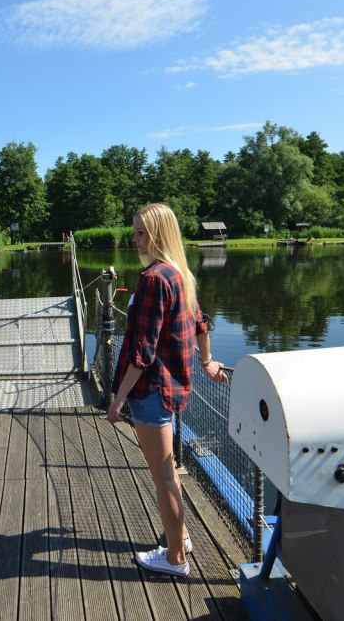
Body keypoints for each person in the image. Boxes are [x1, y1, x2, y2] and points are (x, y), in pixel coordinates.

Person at [107, 203, 227, 578]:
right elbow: (201, 324)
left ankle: (175, 558)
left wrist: (119, 398)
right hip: (172, 388)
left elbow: (142, 350)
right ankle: (183, 537)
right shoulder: (180, 273)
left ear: (158, 234)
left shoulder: (155, 279)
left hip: (150, 391)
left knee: (163, 477)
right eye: (135, 232)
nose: (135, 239)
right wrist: (207, 362)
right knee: (169, 471)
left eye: (141, 233)